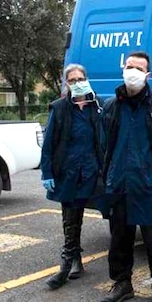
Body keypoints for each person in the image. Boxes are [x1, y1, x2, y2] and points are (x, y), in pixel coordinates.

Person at [98, 51, 152, 302]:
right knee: (120, 239)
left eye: (138, 68)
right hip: (119, 183)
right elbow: (103, 145)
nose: (132, 71)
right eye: (129, 66)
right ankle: (123, 284)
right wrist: (109, 174)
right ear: (123, 69)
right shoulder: (111, 106)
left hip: (148, 183)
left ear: (148, 75)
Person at [40, 64, 103, 290]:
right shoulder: (59, 108)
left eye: (80, 79)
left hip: (90, 171)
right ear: (66, 84)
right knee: (70, 216)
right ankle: (69, 261)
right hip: (68, 172)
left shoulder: (97, 106)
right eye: (72, 80)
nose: (77, 83)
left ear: (87, 79)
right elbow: (48, 145)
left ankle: (73, 260)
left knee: (82, 213)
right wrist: (46, 173)